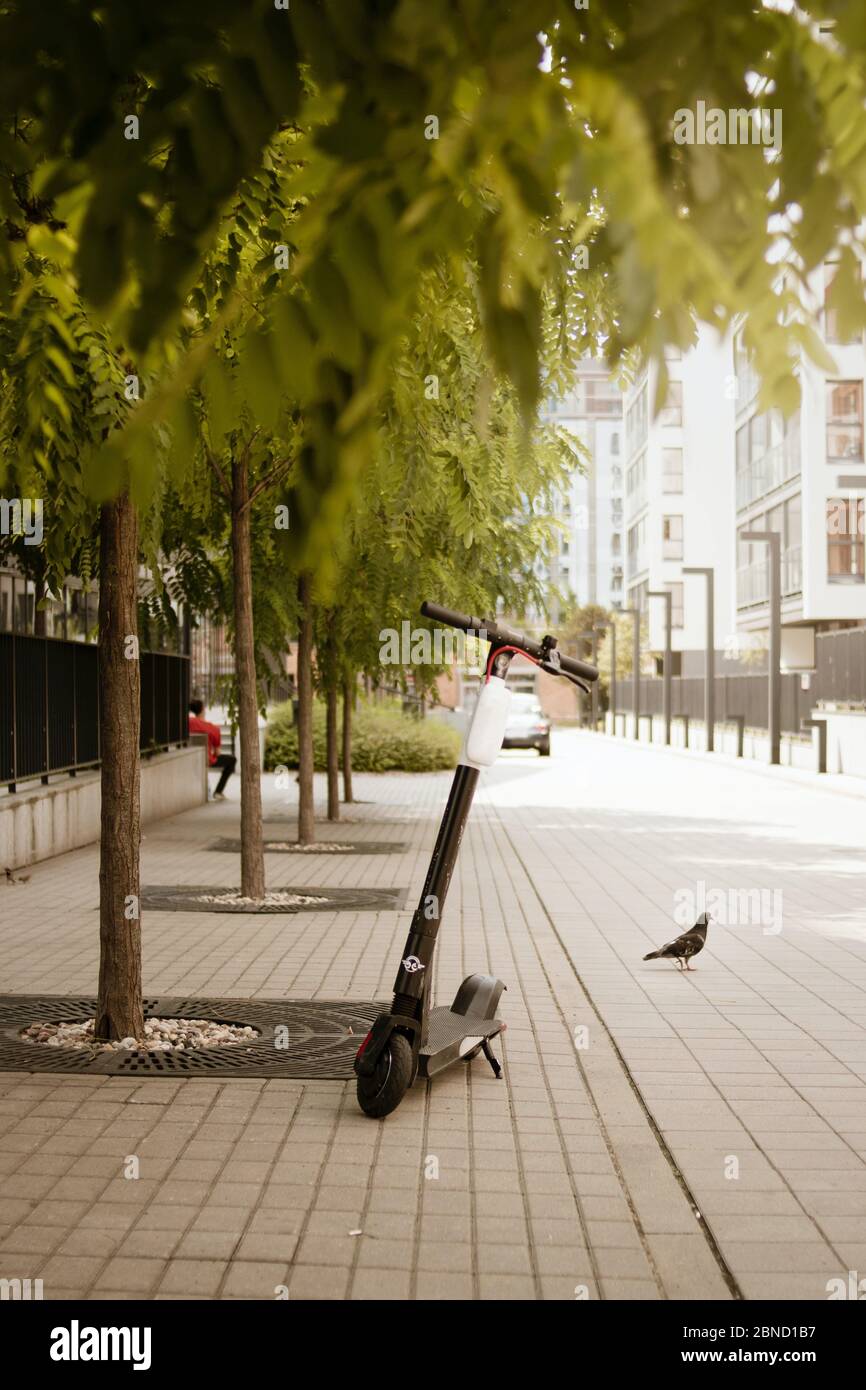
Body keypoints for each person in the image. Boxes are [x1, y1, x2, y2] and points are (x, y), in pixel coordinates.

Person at [188, 699, 236, 800]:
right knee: (232, 760)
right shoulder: (212, 728)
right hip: (207, 759)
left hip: (187, 757)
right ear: (203, 710)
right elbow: (218, 753)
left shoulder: (186, 723)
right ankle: (218, 792)